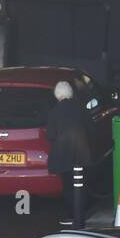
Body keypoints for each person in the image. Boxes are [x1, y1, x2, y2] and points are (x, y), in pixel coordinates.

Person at [46, 80, 93, 227]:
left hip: (63, 154)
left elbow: (51, 135)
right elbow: (91, 129)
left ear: (57, 95)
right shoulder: (81, 109)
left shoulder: (54, 112)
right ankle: (81, 213)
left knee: (67, 185)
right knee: (81, 183)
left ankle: (71, 215)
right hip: (81, 152)